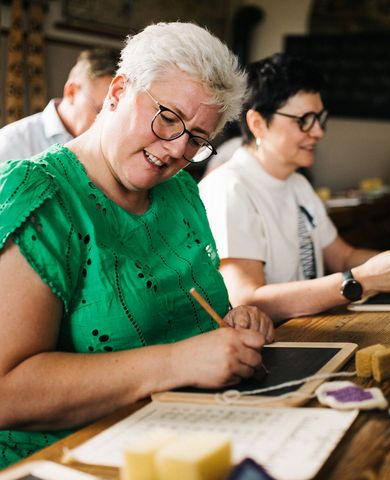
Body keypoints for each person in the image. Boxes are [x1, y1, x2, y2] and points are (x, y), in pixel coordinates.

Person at [0, 22, 274, 468]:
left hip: (186, 440)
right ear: (118, 91)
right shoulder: (39, 194)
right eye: (168, 119)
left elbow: (192, 315)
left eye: (198, 140)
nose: (174, 150)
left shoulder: (181, 192)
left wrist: (233, 323)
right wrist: (178, 362)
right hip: (68, 462)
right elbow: (6, 393)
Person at [199, 53, 390, 322]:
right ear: (258, 123)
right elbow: (246, 298)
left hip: (310, 334)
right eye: (304, 120)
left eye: (319, 118)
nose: (318, 132)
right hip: (273, 347)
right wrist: (358, 282)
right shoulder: (229, 187)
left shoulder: (297, 182)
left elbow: (343, 257)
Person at [0, 47, 119, 163]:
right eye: (100, 110)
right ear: (71, 92)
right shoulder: (11, 142)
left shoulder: (115, 145)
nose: (107, 123)